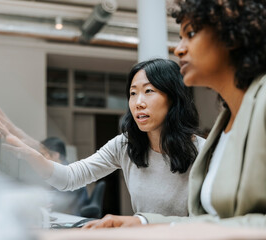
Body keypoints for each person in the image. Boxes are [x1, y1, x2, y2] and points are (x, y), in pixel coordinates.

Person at [87, 0, 266, 229]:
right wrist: (141, 221)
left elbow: (221, 225)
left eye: (190, 34)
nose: (179, 49)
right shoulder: (226, 121)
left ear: (232, 37)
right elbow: (214, 220)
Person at [0, 58, 205, 225]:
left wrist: (141, 222)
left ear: (173, 97)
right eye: (133, 93)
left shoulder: (204, 152)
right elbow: (70, 178)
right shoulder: (126, 145)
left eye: (148, 91)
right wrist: (31, 154)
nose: (138, 102)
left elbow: (211, 222)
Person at [41, 137, 88, 216]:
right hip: (65, 216)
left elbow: (60, 203)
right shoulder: (58, 172)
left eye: (43, 154)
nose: (41, 158)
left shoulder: (67, 174)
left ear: (56, 155)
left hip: (72, 218)